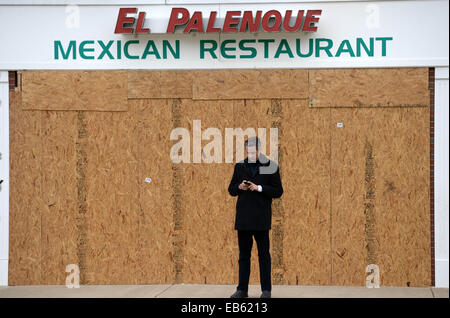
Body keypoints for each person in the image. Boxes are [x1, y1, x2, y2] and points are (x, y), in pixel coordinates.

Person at [227, 136, 284, 298]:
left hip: (261, 218)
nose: (251, 155)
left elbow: (278, 191)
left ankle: (266, 290)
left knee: (264, 255)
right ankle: (242, 290)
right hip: (244, 219)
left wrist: (258, 187)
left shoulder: (271, 166)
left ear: (259, 149)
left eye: (254, 152)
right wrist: (240, 186)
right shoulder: (240, 166)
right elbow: (231, 190)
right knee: (244, 256)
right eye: (248, 152)